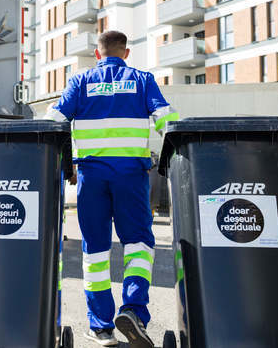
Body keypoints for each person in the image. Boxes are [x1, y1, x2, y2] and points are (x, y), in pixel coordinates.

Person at [45, 31, 178, 347]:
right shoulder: (142, 80)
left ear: (97, 54)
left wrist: (66, 163)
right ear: (126, 53)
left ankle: (101, 327)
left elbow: (55, 121)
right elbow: (167, 120)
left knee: (95, 250)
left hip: (91, 177)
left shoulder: (81, 81)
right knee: (139, 244)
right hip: (131, 175)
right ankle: (133, 311)